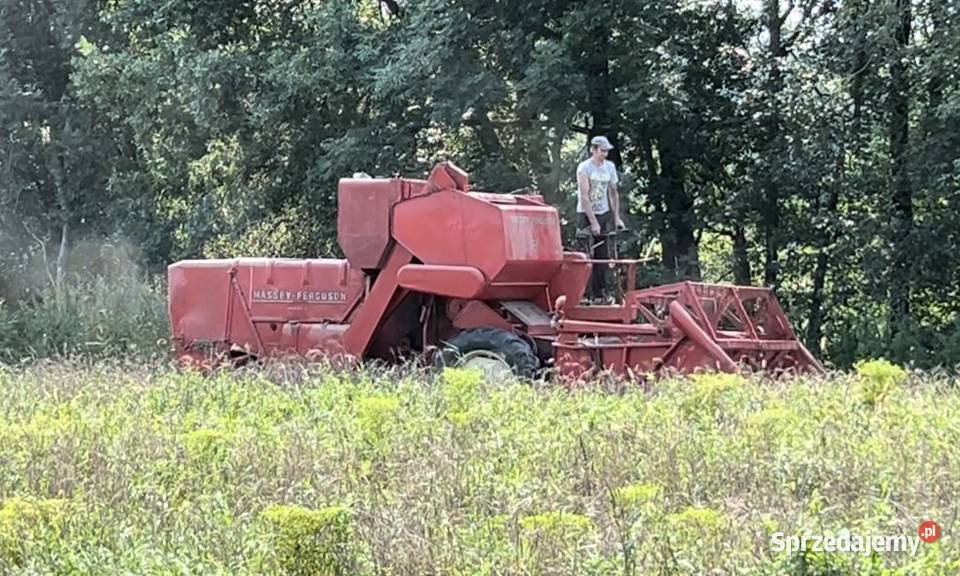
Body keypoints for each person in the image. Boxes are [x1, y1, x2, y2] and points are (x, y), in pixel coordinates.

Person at [576, 135, 624, 299]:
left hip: (603, 212)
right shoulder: (585, 168)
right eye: (602, 151)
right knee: (585, 254)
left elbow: (613, 193)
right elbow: (584, 196)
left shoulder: (609, 167)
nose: (605, 154)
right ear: (593, 150)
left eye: (606, 151)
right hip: (586, 213)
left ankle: (600, 292)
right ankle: (582, 293)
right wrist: (593, 222)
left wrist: (616, 217)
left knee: (602, 254)